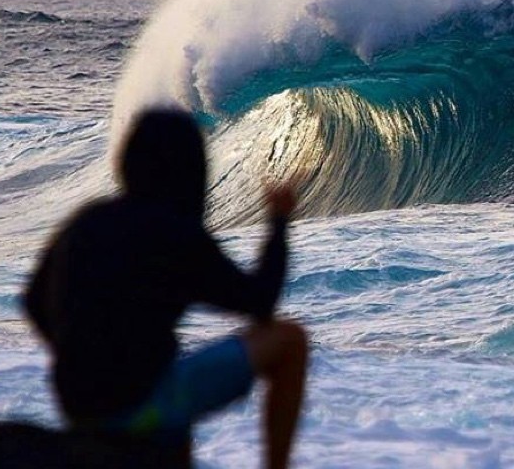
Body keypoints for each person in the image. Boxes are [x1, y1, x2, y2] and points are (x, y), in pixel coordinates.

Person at [23, 109, 308, 469]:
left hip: (78, 408)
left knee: (170, 381)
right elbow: (260, 302)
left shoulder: (87, 220)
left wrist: (83, 355)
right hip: (139, 405)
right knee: (290, 339)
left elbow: (32, 302)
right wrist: (279, 220)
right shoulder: (175, 232)